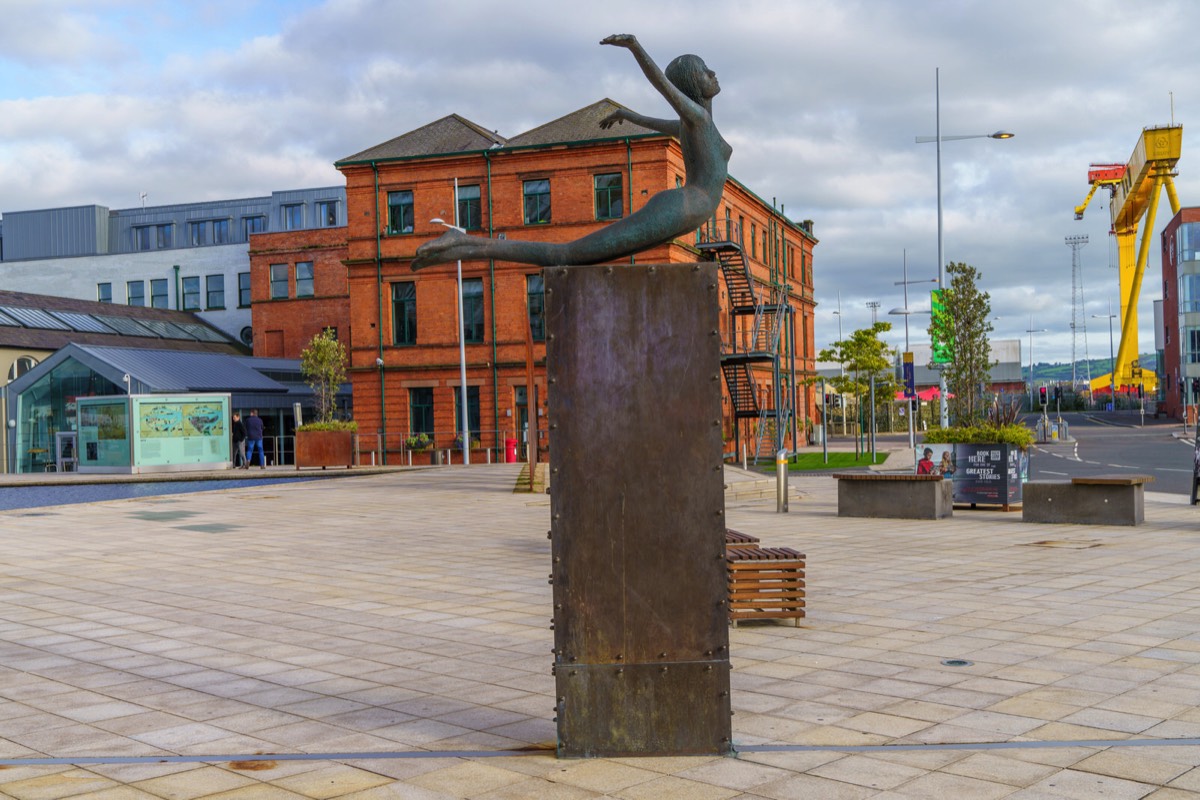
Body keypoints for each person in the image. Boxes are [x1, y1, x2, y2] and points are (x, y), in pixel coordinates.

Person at [411, 33, 730, 271]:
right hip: (683, 207)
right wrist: (635, 47)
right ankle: (462, 243)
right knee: (566, 255)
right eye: (705, 71)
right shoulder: (697, 119)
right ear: (692, 83)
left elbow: (654, 122)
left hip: (688, 213)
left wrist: (627, 116)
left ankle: (461, 244)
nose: (714, 73)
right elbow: (662, 86)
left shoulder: (696, 126)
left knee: (576, 257)